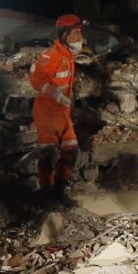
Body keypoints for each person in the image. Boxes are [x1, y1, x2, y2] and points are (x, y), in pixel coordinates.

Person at [29, 16, 86, 191]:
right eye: (76, 32)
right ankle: (47, 192)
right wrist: (53, 92)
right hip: (47, 113)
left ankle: (61, 189)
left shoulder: (68, 56)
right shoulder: (51, 55)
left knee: (71, 151)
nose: (80, 38)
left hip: (62, 113)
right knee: (49, 154)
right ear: (64, 34)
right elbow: (36, 79)